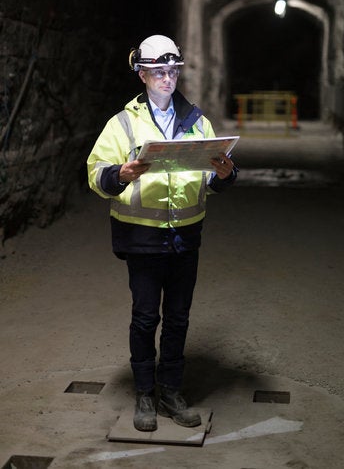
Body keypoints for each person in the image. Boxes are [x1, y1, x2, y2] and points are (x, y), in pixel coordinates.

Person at [87, 34, 238, 432]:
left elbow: (211, 177)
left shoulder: (196, 121)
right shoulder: (121, 124)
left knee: (178, 318)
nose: (168, 79)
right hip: (142, 238)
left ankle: (171, 391)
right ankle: (144, 395)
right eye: (158, 72)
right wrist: (119, 173)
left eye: (172, 71)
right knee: (144, 318)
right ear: (142, 74)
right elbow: (95, 174)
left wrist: (225, 175)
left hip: (185, 236)